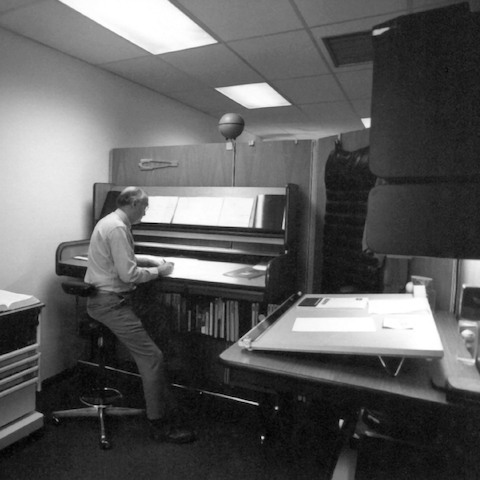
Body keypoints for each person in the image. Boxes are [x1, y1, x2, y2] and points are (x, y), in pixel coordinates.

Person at [84, 186, 196, 444]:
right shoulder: (119, 228)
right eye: (144, 207)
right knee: (154, 356)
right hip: (110, 304)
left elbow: (125, 259)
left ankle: (167, 401)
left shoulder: (111, 221)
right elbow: (129, 275)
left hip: (104, 299)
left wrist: (151, 260)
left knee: (159, 320)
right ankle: (159, 424)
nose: (145, 213)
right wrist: (160, 272)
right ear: (133, 203)